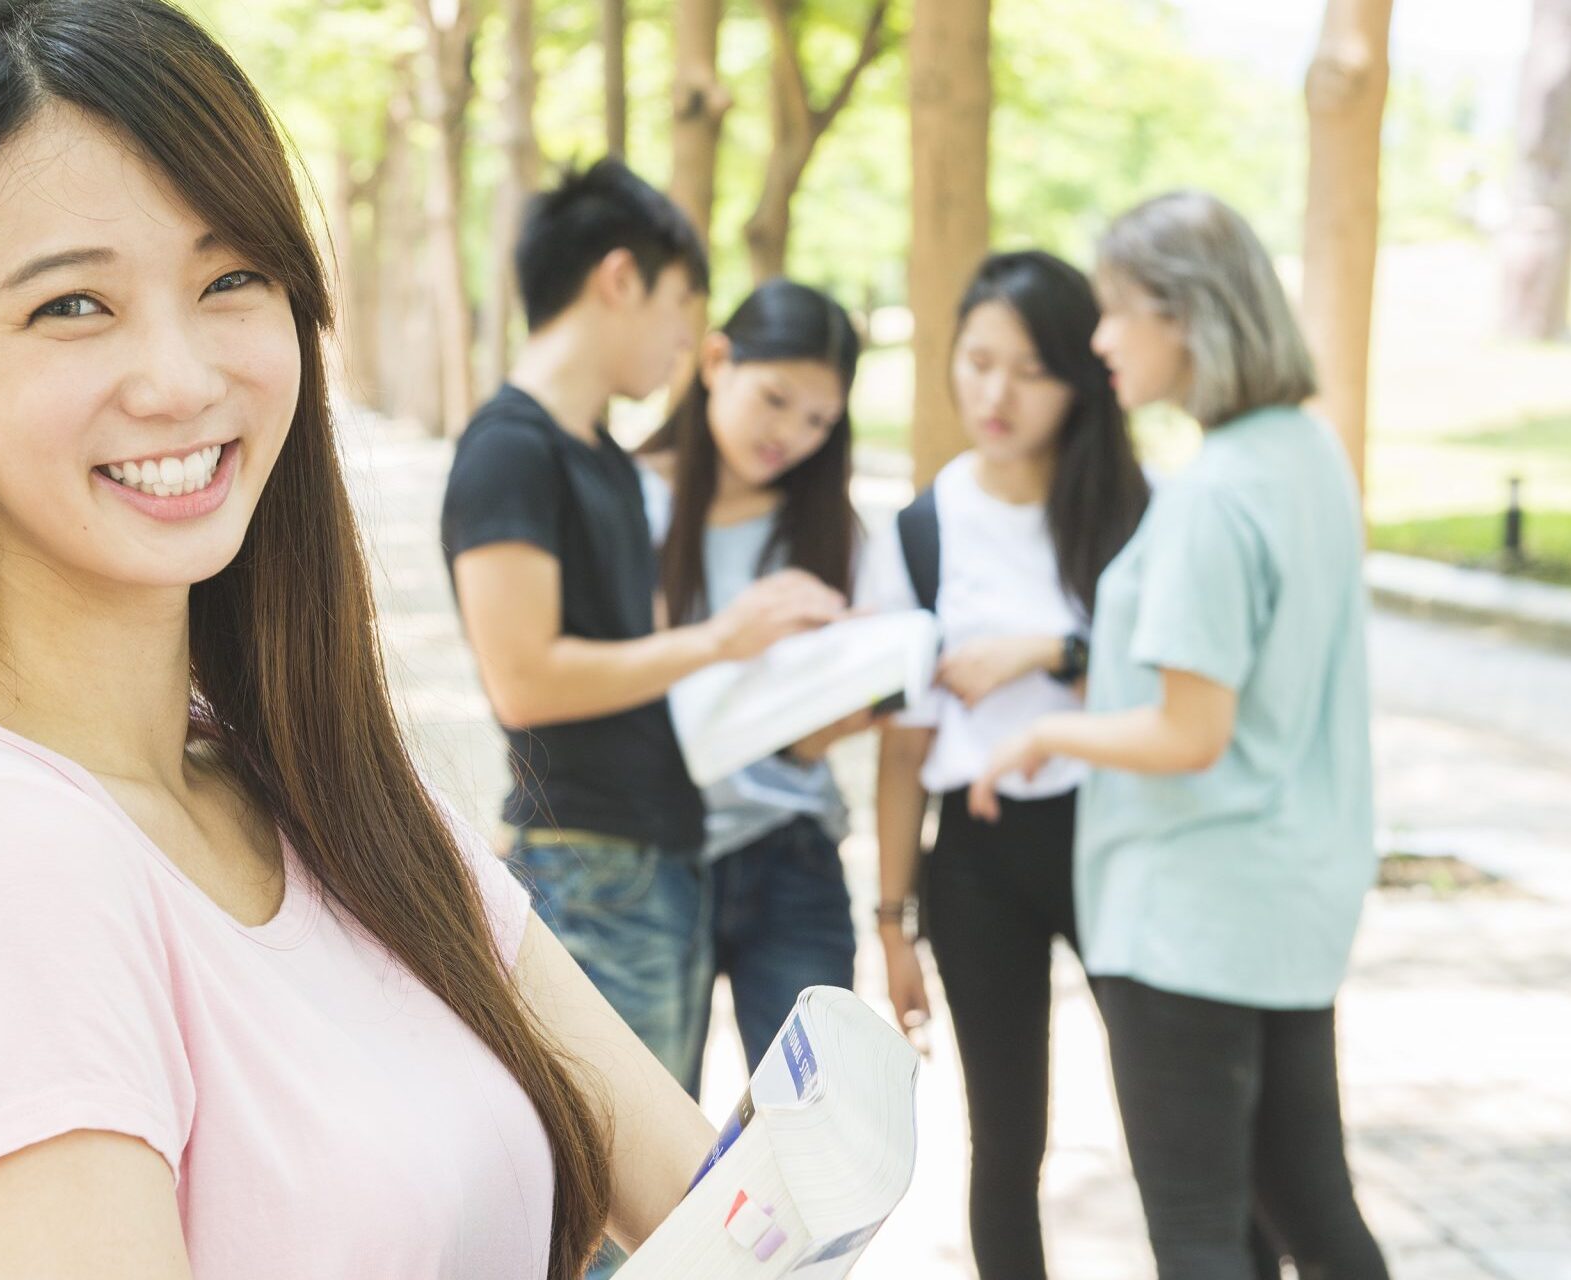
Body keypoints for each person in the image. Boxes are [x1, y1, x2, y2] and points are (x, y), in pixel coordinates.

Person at [0, 5, 717, 1277]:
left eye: (231, 279)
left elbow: (717, 1206)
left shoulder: (321, 790)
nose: (182, 375)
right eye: (73, 304)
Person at [968, 190, 1391, 1280]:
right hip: (1290, 898)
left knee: (1200, 1230)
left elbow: (1189, 730)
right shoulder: (1309, 453)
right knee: (1317, 1214)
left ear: (1187, 314)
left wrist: (1044, 735)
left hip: (1189, 914)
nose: (1101, 338)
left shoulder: (1211, 497)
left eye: (1116, 311)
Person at [441, 164, 845, 1101]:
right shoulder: (510, 448)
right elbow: (524, 681)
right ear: (619, 279)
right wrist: (722, 639)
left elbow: (646, 676)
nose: (684, 342)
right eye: (679, 308)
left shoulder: (609, 467)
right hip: (590, 869)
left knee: (666, 1206)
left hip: (661, 863)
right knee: (618, 1223)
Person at [861, 250, 1151, 1278]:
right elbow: (903, 747)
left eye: (1028, 370)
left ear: (1080, 375)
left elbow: (1174, 685)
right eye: (977, 361)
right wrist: (890, 917)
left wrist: (1048, 650)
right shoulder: (921, 529)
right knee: (1004, 1143)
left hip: (1119, 836)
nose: (995, 393)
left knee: (1172, 1123)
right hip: (977, 857)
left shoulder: (1133, 511)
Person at [629, 279, 878, 1071]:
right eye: (775, 399)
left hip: (789, 854)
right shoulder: (625, 500)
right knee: (655, 1154)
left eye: (818, 421)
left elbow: (809, 742)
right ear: (715, 359)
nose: (792, 436)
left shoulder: (832, 529)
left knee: (815, 1139)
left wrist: (839, 713)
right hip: (647, 857)